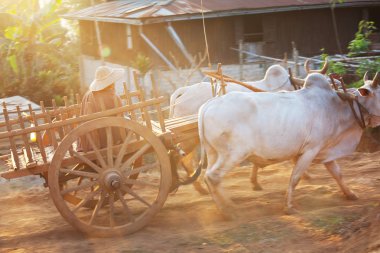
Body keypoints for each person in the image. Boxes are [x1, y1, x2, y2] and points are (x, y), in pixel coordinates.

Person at [77, 65, 125, 151]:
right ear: (110, 82)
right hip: (106, 140)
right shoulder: (112, 96)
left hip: (87, 140)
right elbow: (121, 119)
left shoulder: (87, 94)